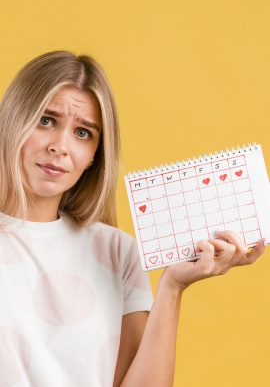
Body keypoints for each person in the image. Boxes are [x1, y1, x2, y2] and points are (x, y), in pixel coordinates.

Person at [0, 51, 266, 387]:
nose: (60, 146)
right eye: (46, 120)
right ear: (12, 119)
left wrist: (173, 285)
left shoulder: (118, 252)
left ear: (95, 155)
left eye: (83, 133)